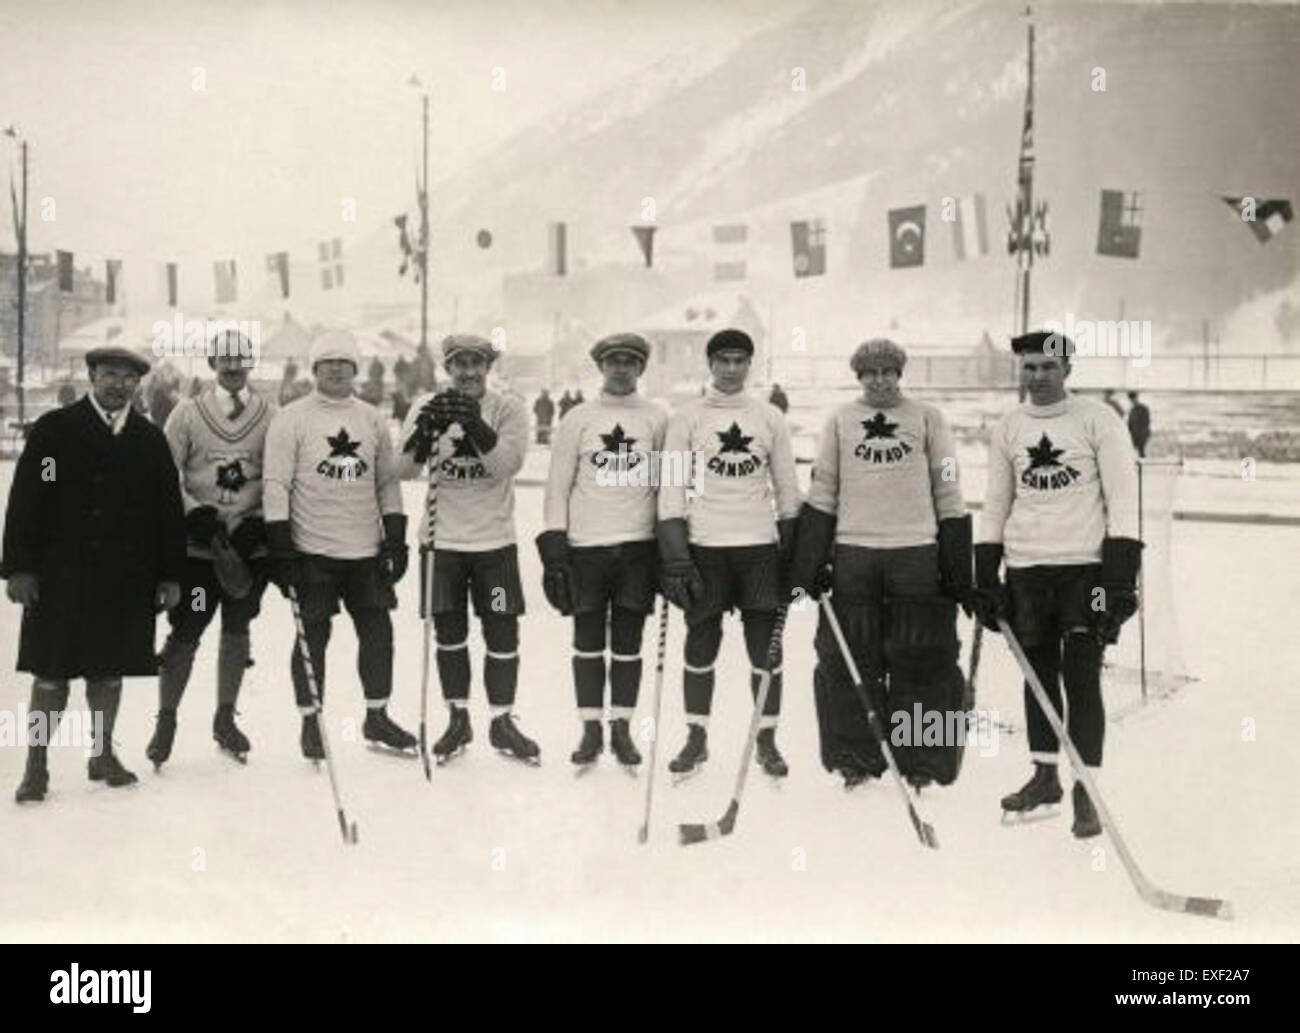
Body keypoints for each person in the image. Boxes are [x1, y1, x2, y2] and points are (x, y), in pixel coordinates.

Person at [971, 330, 1141, 838]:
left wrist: (1118, 580)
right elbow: (996, 502)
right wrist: (987, 575)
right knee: (1037, 673)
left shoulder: (1097, 420)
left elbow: (1123, 499)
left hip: (1084, 570)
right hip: (1027, 570)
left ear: (1067, 369)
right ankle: (1045, 775)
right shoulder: (1009, 427)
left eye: (1048, 367)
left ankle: (1085, 787)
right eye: (1029, 368)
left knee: (1081, 675)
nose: (1038, 377)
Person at [3, 346, 185, 802]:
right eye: (108, 375)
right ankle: (36, 765)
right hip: (61, 578)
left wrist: (169, 575)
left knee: (108, 673)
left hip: (125, 580)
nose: (118, 385)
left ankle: (102, 754)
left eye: (128, 378)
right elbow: (27, 500)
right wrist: (19, 567)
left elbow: (168, 513)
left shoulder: (149, 441)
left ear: (137, 384)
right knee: (51, 674)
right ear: (91, 376)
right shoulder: (54, 433)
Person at [788, 339, 971, 789]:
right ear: (858, 377)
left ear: (899, 373)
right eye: (870, 373)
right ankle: (857, 755)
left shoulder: (929, 418)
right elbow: (824, 489)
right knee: (851, 658)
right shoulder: (839, 420)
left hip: (916, 552)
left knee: (922, 657)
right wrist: (808, 563)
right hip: (854, 553)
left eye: (887, 371)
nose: (879, 380)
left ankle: (923, 760)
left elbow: (948, 488)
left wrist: (959, 570)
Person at [262, 331, 416, 760]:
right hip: (313, 551)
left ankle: (377, 715)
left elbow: (386, 481)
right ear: (314, 370)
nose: (335, 369)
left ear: (355, 369)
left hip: (365, 550)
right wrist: (281, 549)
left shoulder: (370, 418)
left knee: (378, 634)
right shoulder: (292, 418)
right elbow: (276, 485)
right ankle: (311, 721)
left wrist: (396, 539)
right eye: (326, 363)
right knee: (313, 637)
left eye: (343, 363)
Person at [657, 328, 800, 778]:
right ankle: (696, 738)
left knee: (766, 651)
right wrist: (676, 557)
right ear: (711, 364)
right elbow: (671, 489)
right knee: (701, 645)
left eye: (740, 360)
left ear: (750, 364)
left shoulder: (769, 416)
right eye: (724, 360)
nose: (732, 369)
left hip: (758, 547)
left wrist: (793, 552)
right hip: (706, 547)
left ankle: (767, 740)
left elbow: (787, 489)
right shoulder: (687, 417)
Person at [399, 334, 539, 764]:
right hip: (442, 544)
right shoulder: (427, 405)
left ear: (489, 366)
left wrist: (474, 424)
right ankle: (457, 717)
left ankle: (501, 721)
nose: (468, 372)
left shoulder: (509, 407)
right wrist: (424, 435)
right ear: (448, 368)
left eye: (477, 363)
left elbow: (506, 467)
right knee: (449, 633)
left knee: (501, 629)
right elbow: (403, 470)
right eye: (460, 364)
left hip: (493, 544)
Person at [537, 333, 667, 768]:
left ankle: (622, 730)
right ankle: (590, 729)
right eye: (613, 361)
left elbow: (676, 485)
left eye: (630, 361)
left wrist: (676, 549)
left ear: (641, 369)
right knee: (588, 642)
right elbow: (556, 487)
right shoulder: (578, 418)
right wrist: (555, 551)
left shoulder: (659, 418)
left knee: (628, 643)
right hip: (586, 548)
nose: (621, 368)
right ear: (600, 366)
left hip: (638, 549)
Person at [147, 333, 275, 768]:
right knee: (188, 628)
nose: (233, 365)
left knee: (237, 630)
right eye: (225, 358)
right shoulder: (187, 412)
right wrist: (192, 512)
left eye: (241, 358)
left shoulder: (269, 415)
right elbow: (164, 474)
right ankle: (166, 720)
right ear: (212, 362)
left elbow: (277, 477)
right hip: (201, 549)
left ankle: (225, 717)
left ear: (251, 363)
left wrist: (259, 522)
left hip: (246, 551)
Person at [1127, 391, 1150, 457]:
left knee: (1141, 451)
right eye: (1131, 400)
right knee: (1132, 451)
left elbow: (1146, 422)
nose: (1132, 401)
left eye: (1133, 399)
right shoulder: (1132, 410)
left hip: (1142, 434)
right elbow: (1130, 424)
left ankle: (1141, 465)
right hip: (1134, 434)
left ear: (1136, 398)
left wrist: (1142, 434)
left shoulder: (1143, 409)